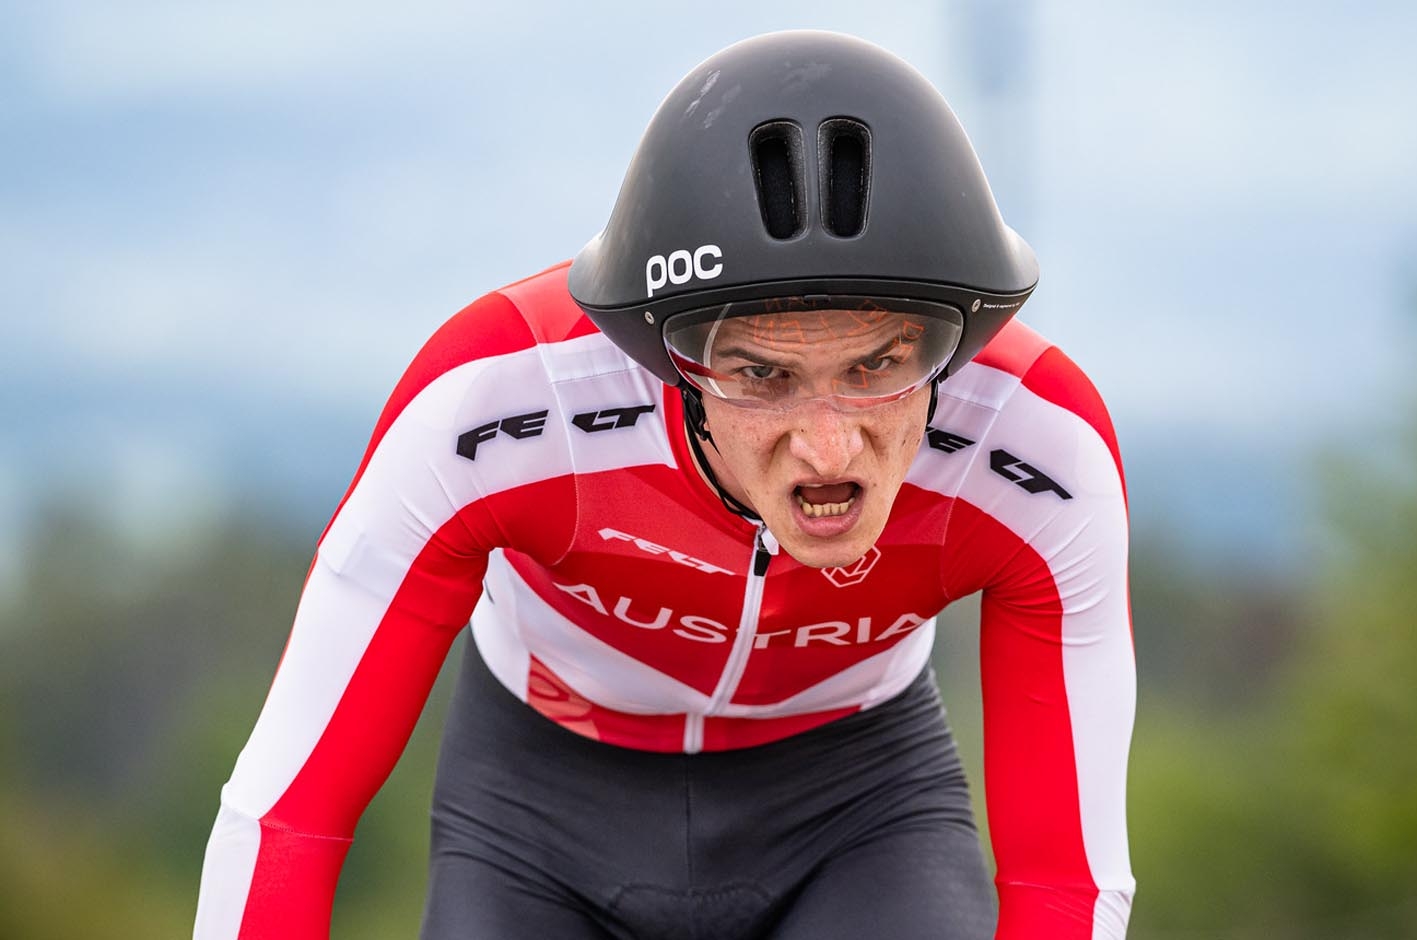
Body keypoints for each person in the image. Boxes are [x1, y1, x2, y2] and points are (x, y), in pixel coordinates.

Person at [194, 29, 1135, 940]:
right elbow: (284, 815)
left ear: (952, 349)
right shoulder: (499, 400)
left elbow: (1068, 881)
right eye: (763, 375)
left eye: (877, 367)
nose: (828, 447)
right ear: (669, 360)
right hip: (537, 816)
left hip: (856, 813)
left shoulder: (1034, 444)